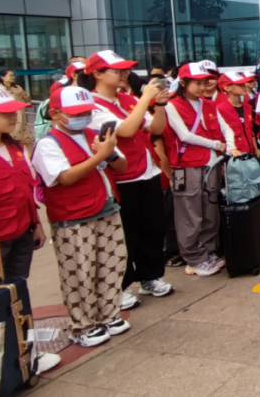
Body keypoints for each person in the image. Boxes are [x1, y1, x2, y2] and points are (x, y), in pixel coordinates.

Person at [33, 86, 130, 347]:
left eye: (88, 111)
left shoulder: (94, 135)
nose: (84, 116)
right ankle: (83, 324)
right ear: (55, 114)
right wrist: (99, 155)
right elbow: (64, 178)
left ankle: (109, 314)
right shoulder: (47, 143)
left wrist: (108, 153)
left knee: (112, 263)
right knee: (79, 270)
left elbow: (121, 164)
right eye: (77, 112)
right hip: (73, 216)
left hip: (105, 207)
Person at [79, 51, 174, 309]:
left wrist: (160, 105)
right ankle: (120, 286)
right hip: (123, 178)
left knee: (154, 228)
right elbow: (126, 130)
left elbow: (153, 129)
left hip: (147, 171)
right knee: (126, 235)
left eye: (125, 70)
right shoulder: (92, 104)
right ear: (97, 73)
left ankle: (150, 276)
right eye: (116, 70)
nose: (124, 74)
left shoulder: (127, 99)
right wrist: (145, 99)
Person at [0, 86, 62, 373]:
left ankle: (24, 354)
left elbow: (24, 191)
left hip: (21, 234)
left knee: (18, 295)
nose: (14, 118)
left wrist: (36, 225)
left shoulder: (15, 148)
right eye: (4, 113)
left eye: (14, 112)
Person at [163, 62, 235, 277]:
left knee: (209, 209)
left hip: (210, 164)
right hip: (185, 167)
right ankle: (193, 256)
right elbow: (185, 135)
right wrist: (216, 145)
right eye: (197, 83)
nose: (202, 87)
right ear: (183, 82)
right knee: (189, 213)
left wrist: (230, 146)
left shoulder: (208, 104)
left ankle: (207, 251)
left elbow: (225, 127)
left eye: (204, 82)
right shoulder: (171, 105)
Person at [216, 72, 258, 158]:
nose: (244, 87)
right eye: (240, 85)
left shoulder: (248, 107)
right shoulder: (220, 109)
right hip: (234, 156)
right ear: (227, 88)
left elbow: (251, 132)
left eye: (243, 84)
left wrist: (256, 150)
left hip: (250, 154)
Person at [0, 68, 33, 147]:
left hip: (22, 121)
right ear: (3, 77)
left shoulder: (17, 88)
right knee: (13, 144)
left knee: (29, 143)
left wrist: (21, 93)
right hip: (10, 120)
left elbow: (28, 99)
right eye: (10, 75)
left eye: (13, 75)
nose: (13, 77)